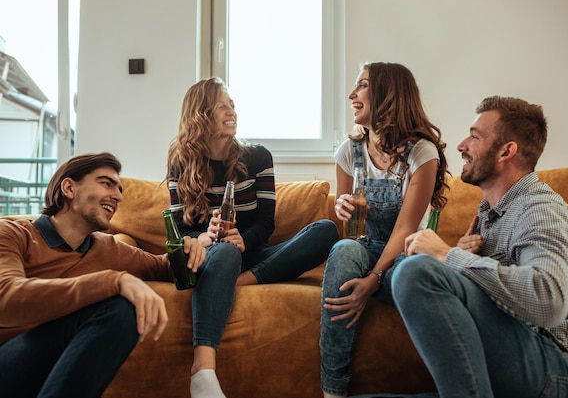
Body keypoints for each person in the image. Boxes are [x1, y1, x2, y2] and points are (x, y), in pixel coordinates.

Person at [357, 96, 568, 398]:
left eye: (474, 136)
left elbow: (548, 300)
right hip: (508, 369)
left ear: (506, 151)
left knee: (415, 272)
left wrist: (447, 256)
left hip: (559, 373)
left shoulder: (539, 209)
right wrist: (460, 266)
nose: (460, 145)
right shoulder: (491, 213)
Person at [166, 77, 340, 398]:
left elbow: (265, 221)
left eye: (232, 105)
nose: (231, 111)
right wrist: (206, 236)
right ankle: (202, 370)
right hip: (211, 257)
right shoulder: (182, 162)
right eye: (222, 106)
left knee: (326, 231)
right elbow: (179, 229)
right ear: (201, 114)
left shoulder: (257, 157)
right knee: (225, 255)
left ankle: (234, 284)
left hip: (252, 255)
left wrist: (245, 239)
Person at [0, 152, 205, 398]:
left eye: (119, 189)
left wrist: (190, 250)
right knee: (119, 304)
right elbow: (6, 297)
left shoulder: (108, 248)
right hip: (7, 362)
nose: (118, 195)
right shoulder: (13, 234)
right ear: (68, 187)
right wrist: (113, 281)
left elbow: (165, 267)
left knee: (122, 310)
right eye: (106, 183)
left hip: (51, 372)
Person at [320, 62, 450, 398]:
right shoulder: (349, 151)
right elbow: (349, 231)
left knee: (412, 273)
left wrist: (373, 280)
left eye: (361, 86)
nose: (352, 94)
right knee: (343, 249)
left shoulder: (422, 154)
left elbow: (406, 228)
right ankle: (332, 392)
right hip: (363, 249)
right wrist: (341, 208)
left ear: (387, 94)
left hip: (403, 253)